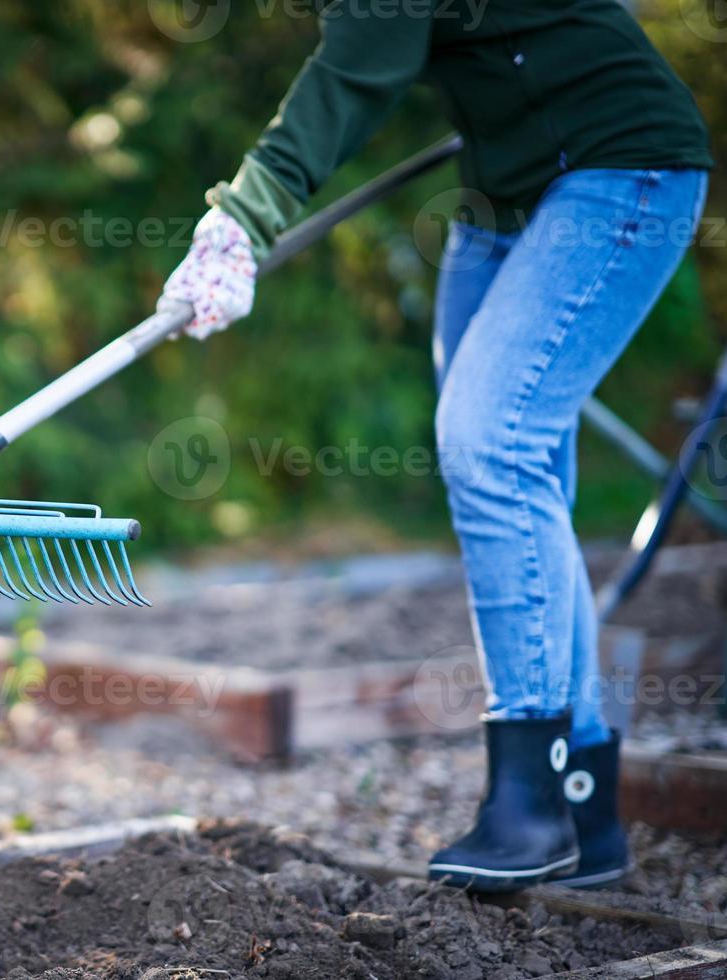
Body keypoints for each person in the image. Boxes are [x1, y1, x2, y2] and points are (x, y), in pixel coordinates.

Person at [163, 0, 712, 891]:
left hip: (619, 167)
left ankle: (528, 805)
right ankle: (583, 809)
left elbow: (356, 64)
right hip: (506, 195)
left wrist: (240, 219)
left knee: (490, 442)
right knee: (515, 463)